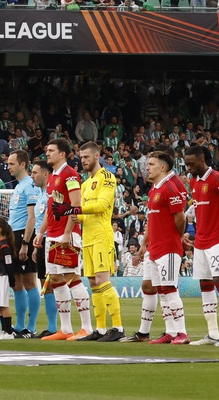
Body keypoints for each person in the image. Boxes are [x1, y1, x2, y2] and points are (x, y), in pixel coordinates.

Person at [133, 149, 189, 344]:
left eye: (151, 165)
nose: (146, 168)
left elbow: (180, 216)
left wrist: (176, 237)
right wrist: (144, 244)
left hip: (168, 248)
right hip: (154, 248)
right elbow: (152, 219)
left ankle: (182, 333)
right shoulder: (155, 189)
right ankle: (170, 332)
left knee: (169, 288)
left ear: (162, 167)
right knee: (162, 290)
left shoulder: (169, 188)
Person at [38, 137, 91, 340]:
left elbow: (76, 205)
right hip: (52, 234)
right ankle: (66, 329)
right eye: (47, 150)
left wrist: (68, 232)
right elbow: (50, 209)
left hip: (66, 234)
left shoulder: (70, 175)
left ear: (62, 154)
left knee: (72, 278)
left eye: (51, 150)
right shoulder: (52, 177)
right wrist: (41, 232)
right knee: (57, 281)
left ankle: (86, 327)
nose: (47, 153)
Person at [184, 144, 219, 345]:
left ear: (201, 160)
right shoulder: (194, 181)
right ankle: (213, 333)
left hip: (217, 238)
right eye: (186, 164)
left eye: (191, 163)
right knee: (204, 283)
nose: (188, 167)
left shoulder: (216, 178)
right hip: (201, 239)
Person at [76, 140, 124, 340]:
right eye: (81, 158)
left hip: (102, 236)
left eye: (86, 157)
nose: (83, 161)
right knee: (94, 283)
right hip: (88, 237)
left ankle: (118, 328)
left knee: (103, 281)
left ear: (97, 156)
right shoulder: (85, 183)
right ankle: (101, 329)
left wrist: (75, 209)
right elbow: (84, 214)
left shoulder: (107, 177)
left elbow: (103, 206)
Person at [4, 148, 44, 337]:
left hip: (23, 236)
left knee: (29, 281)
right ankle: (19, 326)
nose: (8, 167)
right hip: (14, 235)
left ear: (23, 164)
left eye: (12, 163)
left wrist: (26, 242)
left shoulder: (30, 186)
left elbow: (32, 217)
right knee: (16, 283)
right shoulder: (19, 186)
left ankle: (31, 326)